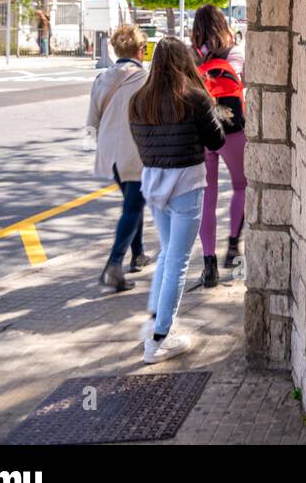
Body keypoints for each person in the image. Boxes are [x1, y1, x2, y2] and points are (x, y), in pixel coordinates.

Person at [129, 36, 226, 363]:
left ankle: (155, 320)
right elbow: (217, 140)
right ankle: (159, 339)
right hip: (186, 183)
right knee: (178, 261)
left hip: (154, 184)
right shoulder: (195, 98)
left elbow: (142, 146)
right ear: (183, 61)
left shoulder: (139, 100)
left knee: (167, 252)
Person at [87, 24, 151, 292]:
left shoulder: (102, 79)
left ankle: (138, 254)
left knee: (131, 200)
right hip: (135, 151)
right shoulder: (145, 78)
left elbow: (92, 121)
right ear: (140, 50)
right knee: (133, 206)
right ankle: (114, 264)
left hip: (110, 153)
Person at [190, 4, 247, 288]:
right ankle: (234, 245)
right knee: (240, 186)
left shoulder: (191, 58)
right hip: (231, 130)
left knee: (207, 200)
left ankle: (208, 265)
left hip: (202, 134)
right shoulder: (234, 52)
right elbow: (240, 83)